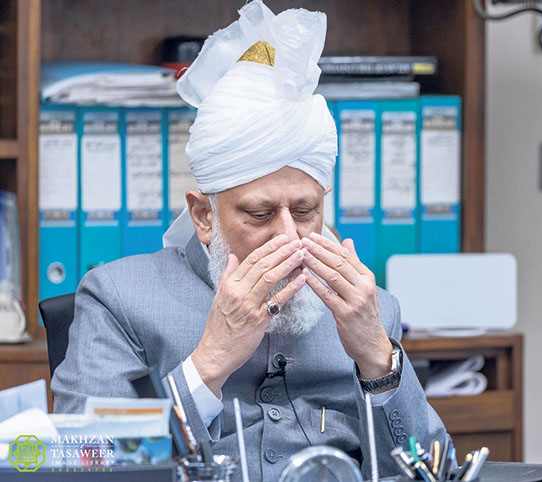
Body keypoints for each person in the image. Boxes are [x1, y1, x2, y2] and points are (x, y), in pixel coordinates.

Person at [51, 1, 446, 480]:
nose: (288, 235)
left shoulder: (368, 307)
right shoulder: (119, 298)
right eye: (259, 214)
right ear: (204, 215)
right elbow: (85, 462)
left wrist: (378, 362)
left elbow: (432, 470)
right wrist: (209, 364)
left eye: (305, 211)